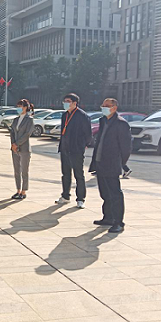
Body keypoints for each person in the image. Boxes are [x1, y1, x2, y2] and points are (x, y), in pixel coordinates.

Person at [89, 98, 132, 233]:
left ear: (114, 108)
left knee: (115, 194)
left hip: (112, 163)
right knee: (104, 192)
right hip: (100, 162)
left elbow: (126, 147)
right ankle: (108, 217)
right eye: (103, 105)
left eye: (107, 105)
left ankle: (118, 222)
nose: (103, 107)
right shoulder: (103, 121)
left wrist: (121, 163)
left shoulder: (121, 124)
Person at [57, 93, 92, 209]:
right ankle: (65, 196)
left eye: (68, 101)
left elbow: (88, 134)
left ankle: (80, 199)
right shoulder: (65, 115)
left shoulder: (82, 116)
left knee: (78, 175)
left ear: (74, 103)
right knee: (65, 174)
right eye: (64, 101)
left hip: (76, 150)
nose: (65, 103)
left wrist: (83, 145)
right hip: (64, 149)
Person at [10, 99, 35, 199]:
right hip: (14, 148)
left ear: (25, 107)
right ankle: (18, 190)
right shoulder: (16, 119)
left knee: (24, 171)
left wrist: (17, 143)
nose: (19, 108)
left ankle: (24, 191)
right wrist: (13, 144)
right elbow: (12, 132)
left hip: (24, 148)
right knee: (16, 170)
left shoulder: (29, 120)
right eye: (18, 106)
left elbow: (27, 134)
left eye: (20, 106)